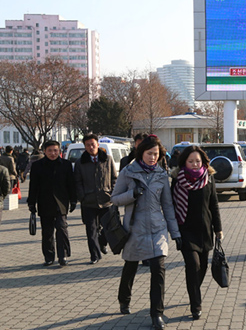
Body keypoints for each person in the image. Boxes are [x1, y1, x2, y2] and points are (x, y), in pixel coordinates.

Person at [111, 135, 180, 330]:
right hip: (134, 229)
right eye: (149, 154)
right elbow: (115, 199)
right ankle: (124, 299)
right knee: (130, 266)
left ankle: (156, 314)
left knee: (158, 269)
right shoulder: (128, 172)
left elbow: (167, 206)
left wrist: (175, 233)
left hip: (157, 229)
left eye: (156, 154)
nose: (153, 158)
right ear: (141, 153)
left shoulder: (161, 175)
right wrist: (132, 194)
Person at [172, 145, 223, 320]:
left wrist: (218, 228)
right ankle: (196, 304)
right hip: (186, 230)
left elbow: (213, 204)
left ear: (203, 162)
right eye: (191, 161)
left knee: (202, 267)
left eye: (198, 161)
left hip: (205, 230)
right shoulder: (178, 180)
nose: (194, 164)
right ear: (184, 162)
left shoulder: (208, 178)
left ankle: (193, 290)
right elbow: (171, 206)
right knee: (193, 265)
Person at [27, 141, 77, 266]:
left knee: (62, 228)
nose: (53, 153)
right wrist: (31, 203)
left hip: (61, 202)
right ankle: (49, 257)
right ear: (44, 151)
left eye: (55, 150)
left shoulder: (65, 165)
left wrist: (73, 200)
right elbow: (33, 186)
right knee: (47, 231)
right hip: (45, 202)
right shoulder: (37, 166)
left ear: (59, 151)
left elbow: (71, 184)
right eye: (50, 150)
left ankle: (63, 255)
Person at [74, 134, 117, 264]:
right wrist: (82, 196)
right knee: (91, 230)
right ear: (84, 147)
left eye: (93, 144)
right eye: (88, 145)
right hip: (89, 202)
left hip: (106, 200)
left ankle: (102, 242)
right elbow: (77, 182)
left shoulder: (107, 159)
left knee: (109, 228)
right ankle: (95, 255)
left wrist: (113, 193)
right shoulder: (80, 163)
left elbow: (114, 178)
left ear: (98, 144)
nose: (91, 147)